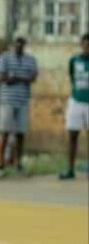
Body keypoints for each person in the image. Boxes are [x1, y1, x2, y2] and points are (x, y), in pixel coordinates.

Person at [0, 37, 38, 178]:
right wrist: (19, 79)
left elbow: (33, 77)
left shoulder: (30, 60)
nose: (18, 47)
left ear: (24, 46)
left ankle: (18, 164)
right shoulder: (4, 58)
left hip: (23, 100)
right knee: (5, 132)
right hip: (7, 100)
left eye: (21, 45)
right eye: (16, 44)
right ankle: (0, 165)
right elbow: (2, 77)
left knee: (20, 133)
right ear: (12, 45)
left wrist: (15, 78)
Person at [60, 33, 89, 180]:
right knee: (72, 135)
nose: (87, 47)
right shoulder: (74, 60)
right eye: (85, 44)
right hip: (76, 101)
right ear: (81, 45)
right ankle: (70, 169)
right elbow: (72, 77)